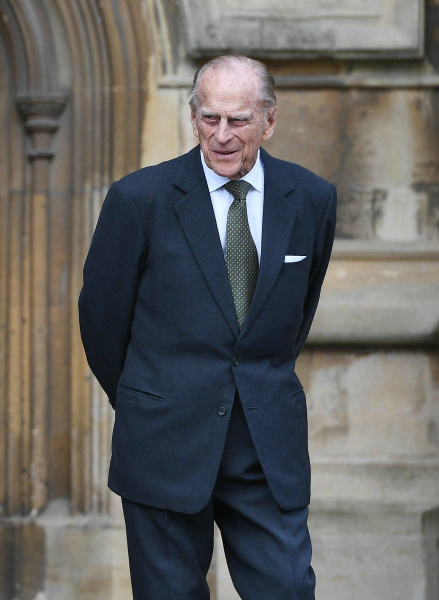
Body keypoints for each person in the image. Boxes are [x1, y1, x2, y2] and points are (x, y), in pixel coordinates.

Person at [78, 56, 336, 599]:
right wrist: (150, 397)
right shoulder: (139, 199)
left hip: (266, 445)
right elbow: (102, 321)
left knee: (287, 587)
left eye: (238, 121)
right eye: (209, 118)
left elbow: (297, 314)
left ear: (268, 122)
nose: (221, 136)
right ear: (193, 118)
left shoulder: (311, 199)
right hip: (163, 443)